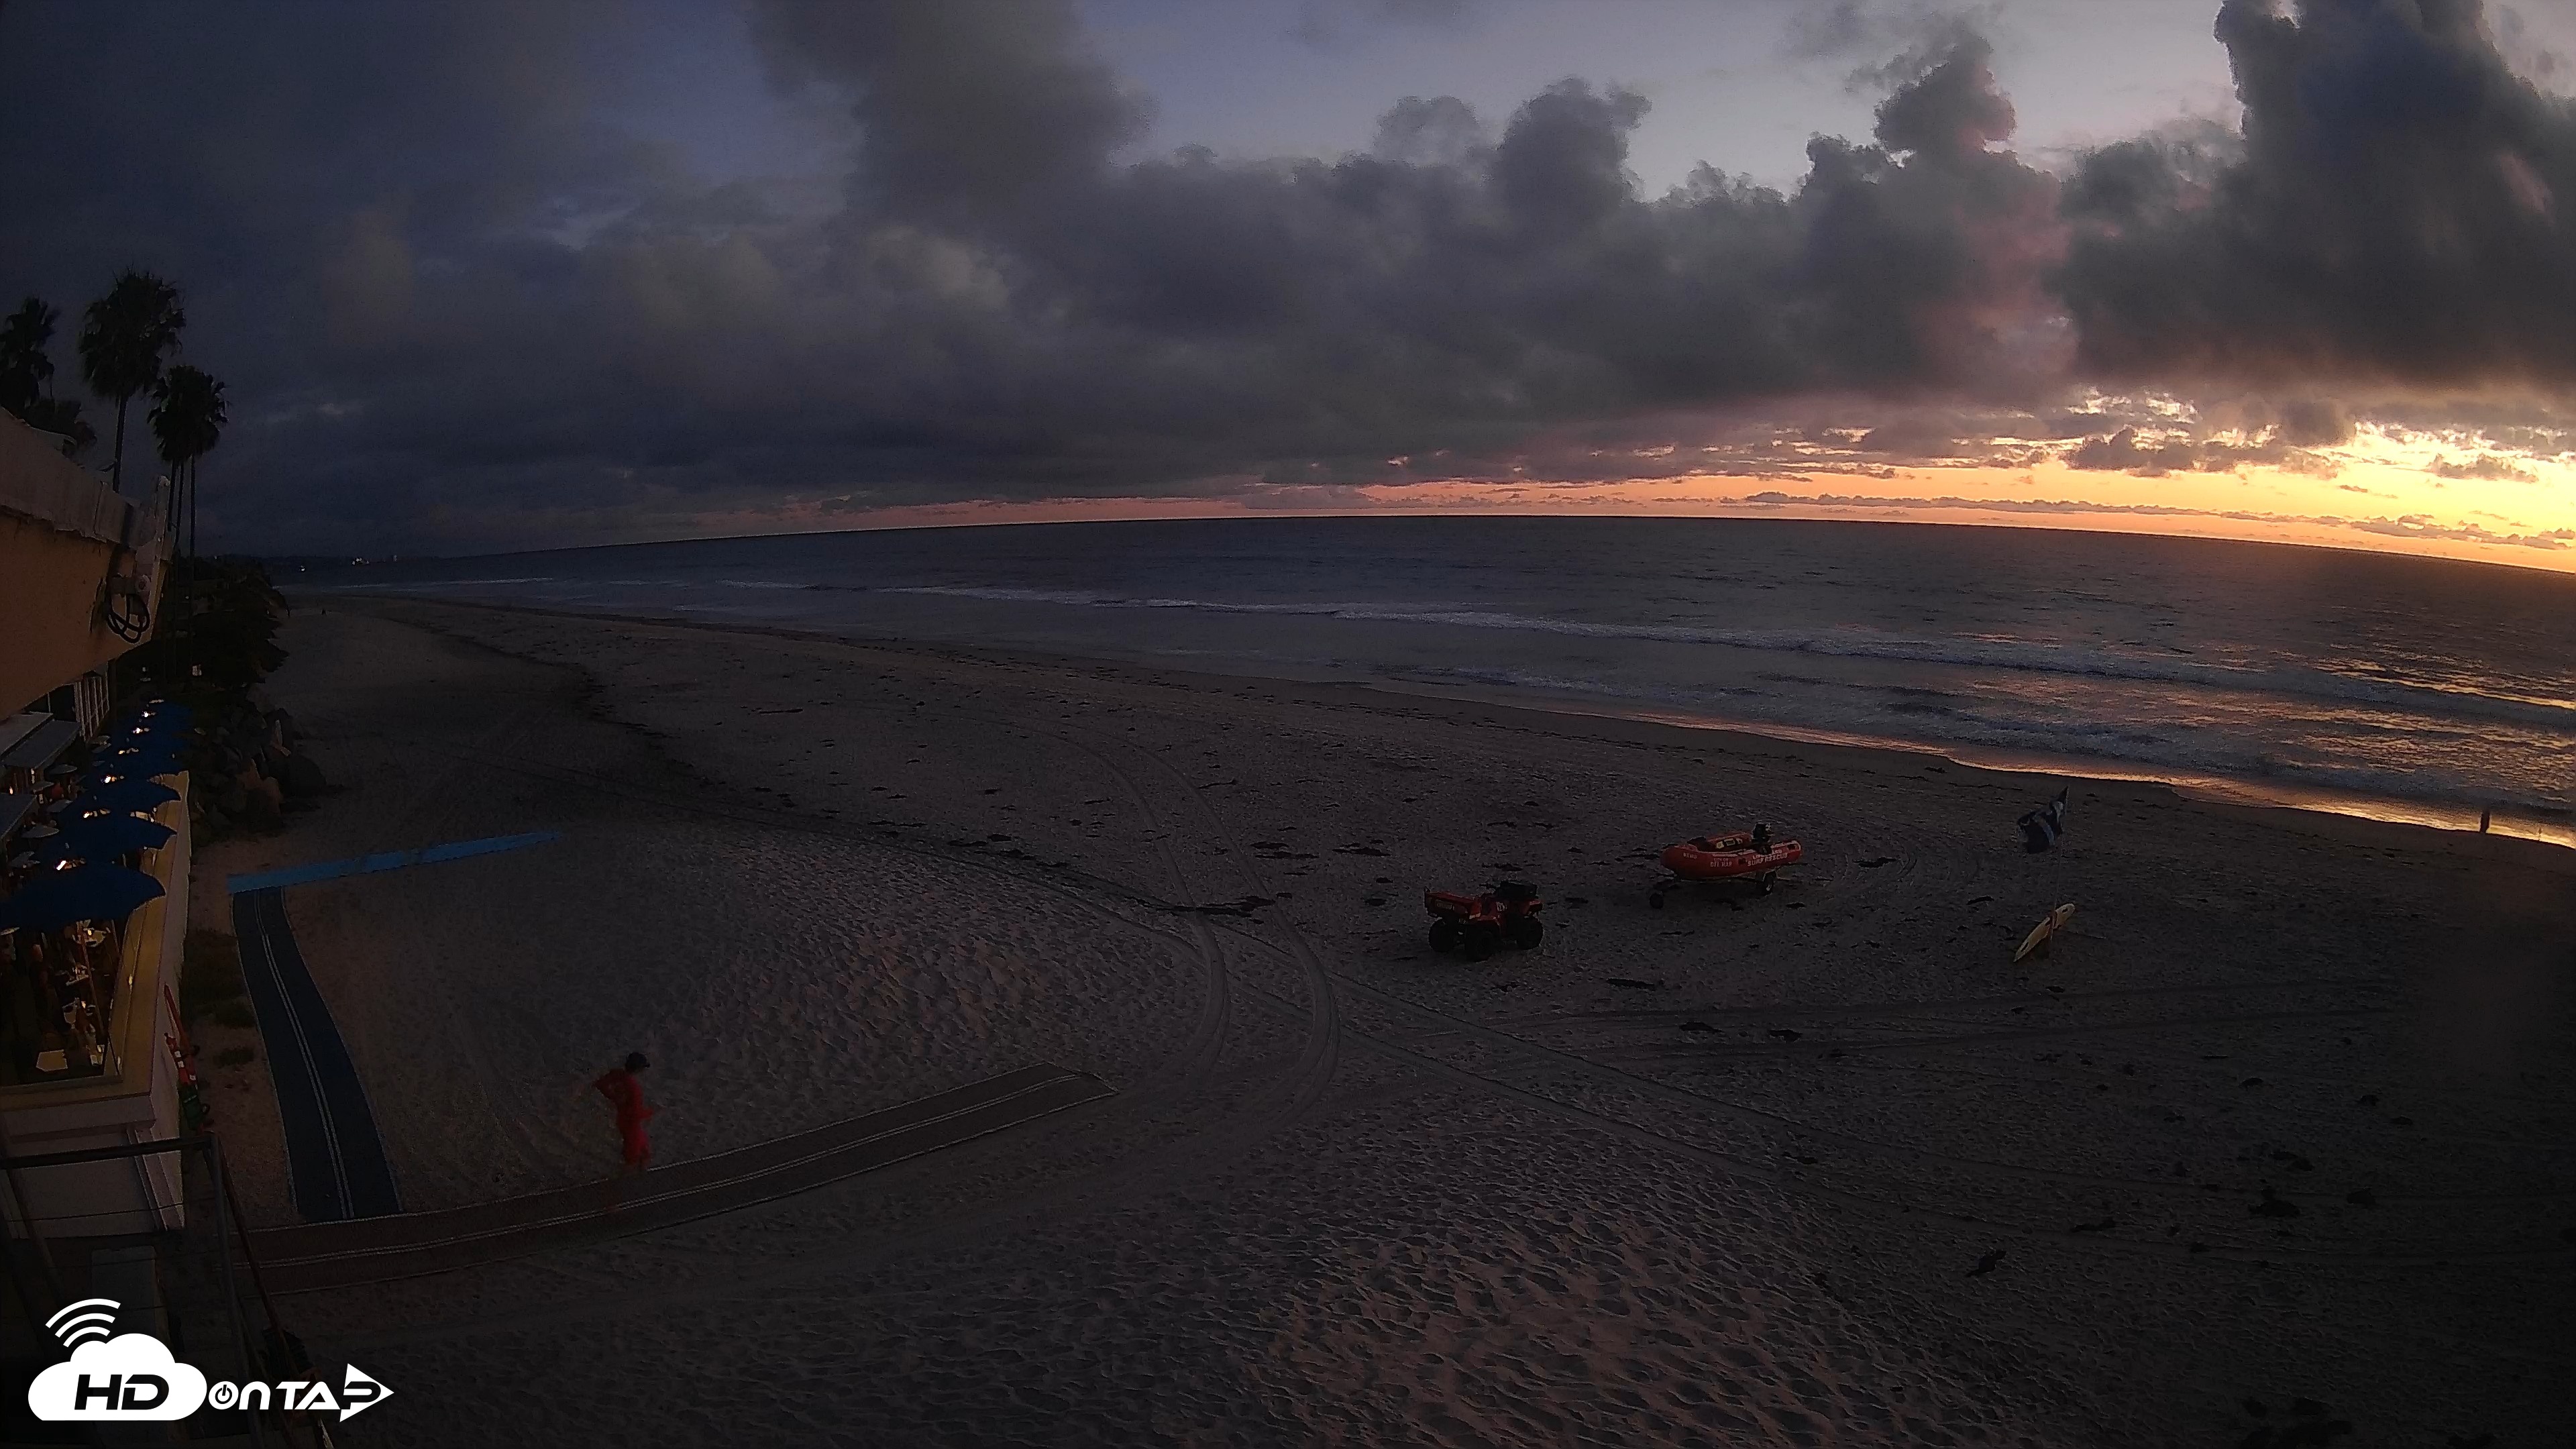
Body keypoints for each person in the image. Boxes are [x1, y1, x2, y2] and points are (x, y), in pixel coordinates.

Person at [590, 1051, 657, 1183]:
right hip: (632, 1126)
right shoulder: (634, 1089)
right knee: (633, 1159)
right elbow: (637, 1113)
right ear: (639, 1069)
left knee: (645, 1153)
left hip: (623, 1120)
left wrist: (614, 1097)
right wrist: (651, 1112)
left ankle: (641, 1180)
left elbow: (600, 1084)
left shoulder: (617, 1075)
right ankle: (616, 1188)